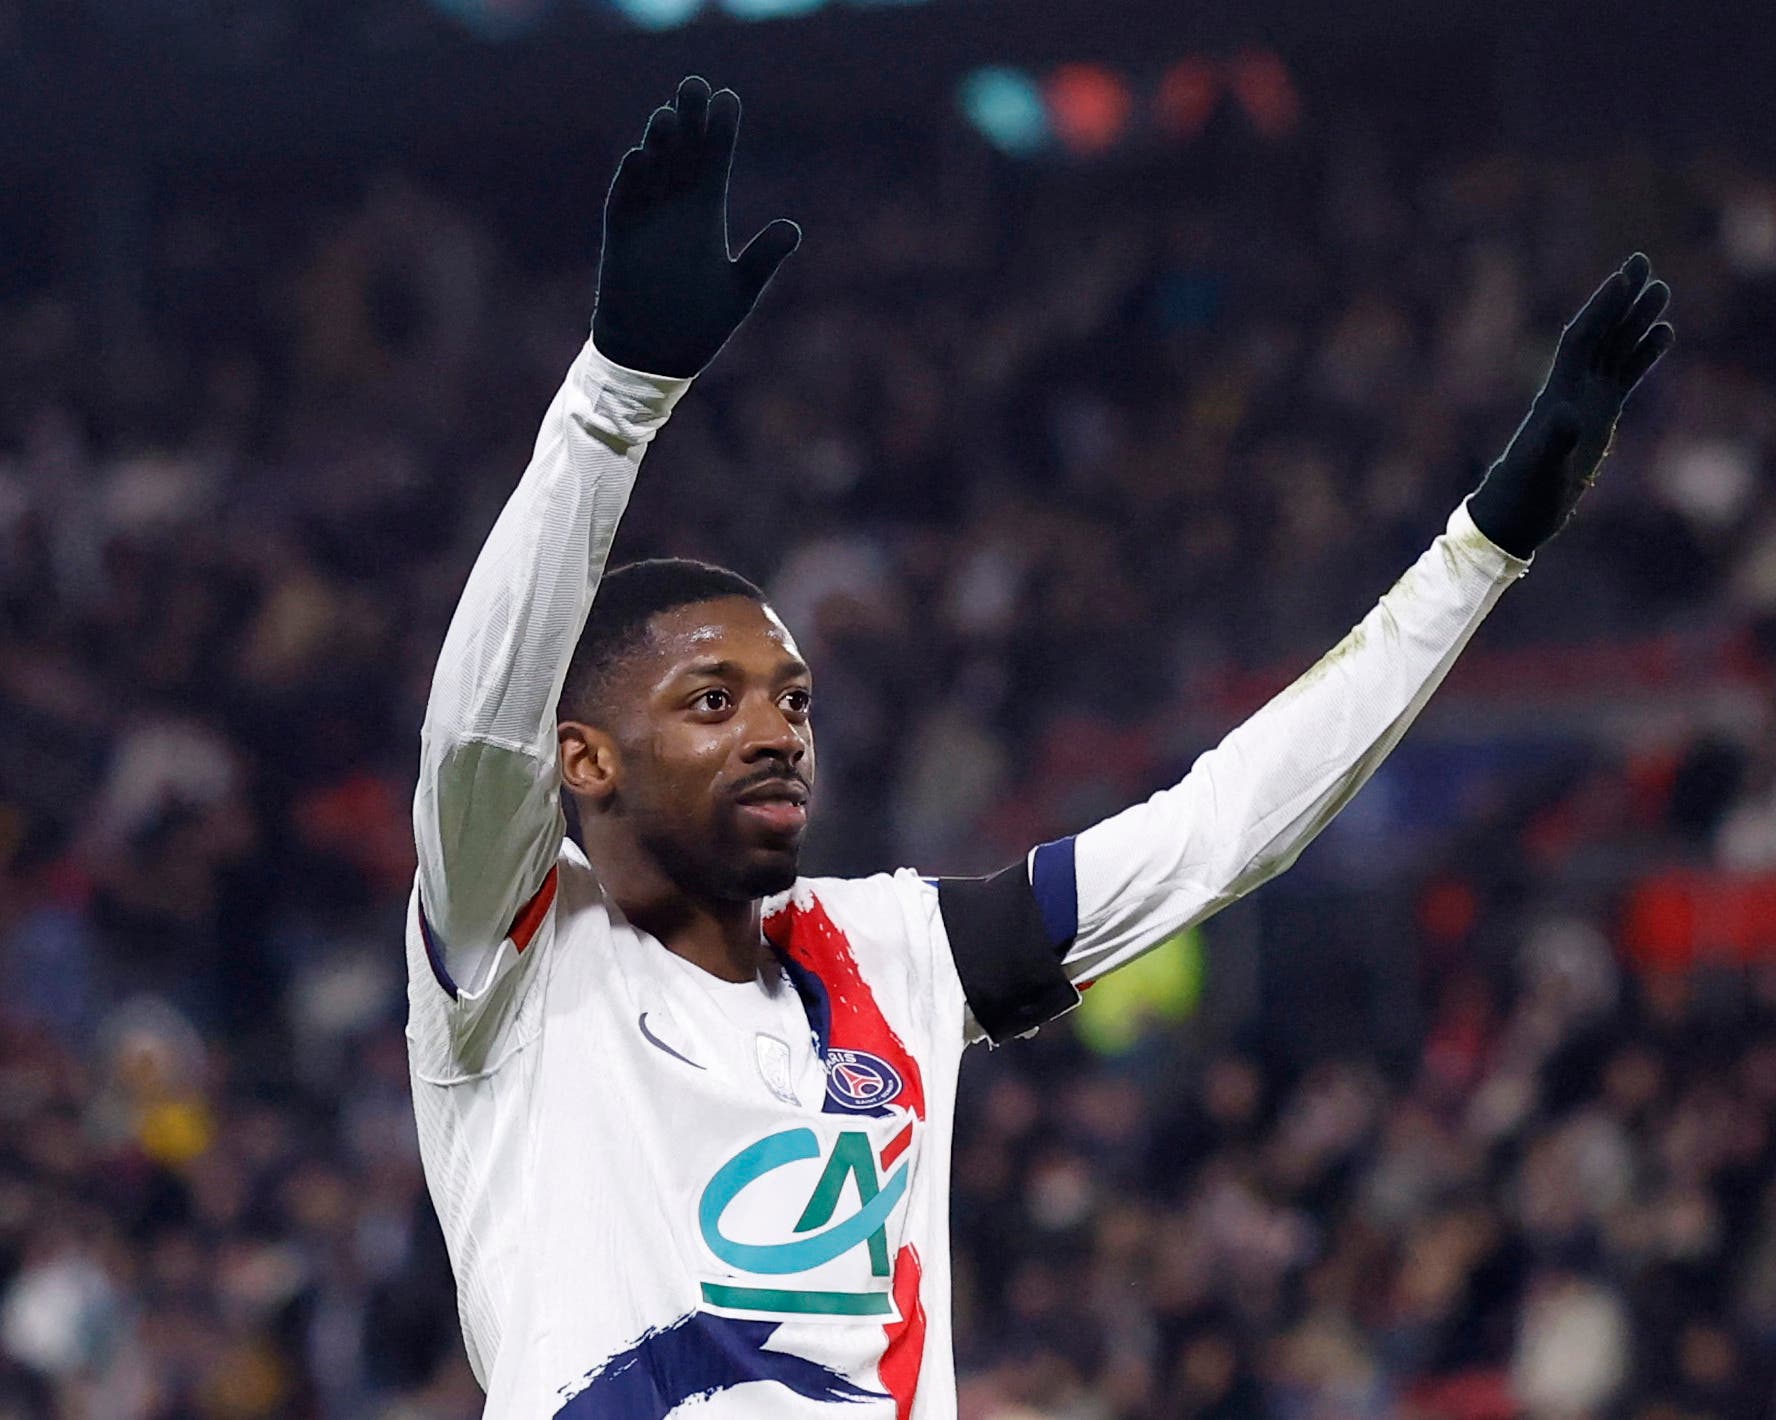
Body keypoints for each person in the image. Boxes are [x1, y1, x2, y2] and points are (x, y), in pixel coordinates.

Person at [404, 76, 1674, 1419]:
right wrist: (617, 402)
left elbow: (1217, 832)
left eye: (792, 698)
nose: (776, 730)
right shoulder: (512, 957)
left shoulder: (895, 954)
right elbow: (476, 738)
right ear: (585, 761)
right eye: (712, 702)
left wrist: (1482, 551)